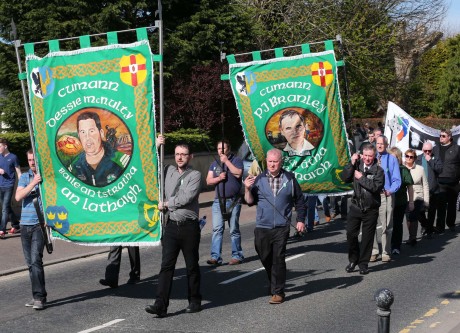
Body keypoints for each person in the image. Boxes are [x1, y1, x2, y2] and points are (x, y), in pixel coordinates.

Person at [145, 136, 202, 317]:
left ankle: (194, 300)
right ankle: (160, 305)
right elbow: (150, 169)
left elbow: (186, 197)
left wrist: (167, 204)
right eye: (177, 154)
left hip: (189, 227)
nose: (179, 157)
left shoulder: (195, 175)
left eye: (183, 154)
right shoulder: (168, 170)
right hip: (171, 226)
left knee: (191, 266)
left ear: (190, 157)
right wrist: (156, 147)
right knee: (166, 266)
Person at [244, 148, 306, 304]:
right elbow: (250, 201)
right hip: (262, 226)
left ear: (281, 162)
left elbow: (300, 201)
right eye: (270, 161)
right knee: (265, 256)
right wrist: (246, 188)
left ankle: (278, 292)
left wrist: (300, 220)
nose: (272, 165)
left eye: (275, 161)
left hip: (281, 226)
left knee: (278, 258)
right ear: (266, 161)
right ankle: (274, 281)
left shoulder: (289, 179)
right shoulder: (258, 179)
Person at [341, 144, 384, 275]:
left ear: (374, 156)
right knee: (350, 234)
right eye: (365, 155)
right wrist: (351, 162)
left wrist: (361, 178)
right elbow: (345, 178)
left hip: (371, 208)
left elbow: (376, 188)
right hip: (356, 206)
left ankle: (363, 263)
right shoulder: (357, 165)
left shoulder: (378, 170)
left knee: (367, 238)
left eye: (370, 156)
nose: (367, 158)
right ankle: (353, 259)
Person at [15, 150, 47, 310]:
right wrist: (33, 183)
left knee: (36, 260)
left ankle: (40, 298)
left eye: (34, 160)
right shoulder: (25, 177)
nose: (32, 163)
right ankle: (36, 295)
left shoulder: (45, 178)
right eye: (29, 160)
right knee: (30, 264)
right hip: (24, 225)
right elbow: (18, 197)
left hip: (38, 226)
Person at [206, 139, 244, 266]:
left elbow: (238, 174)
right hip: (219, 202)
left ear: (229, 149)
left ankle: (237, 255)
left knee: (233, 229)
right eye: (218, 149)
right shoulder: (214, 164)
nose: (220, 151)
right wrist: (219, 178)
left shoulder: (236, 160)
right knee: (217, 229)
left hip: (234, 200)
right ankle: (215, 257)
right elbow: (208, 181)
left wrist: (226, 162)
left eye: (223, 149)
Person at [69, 111, 129, 187]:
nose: (87, 137)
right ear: (79, 136)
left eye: (91, 131)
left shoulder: (121, 161)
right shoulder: (74, 166)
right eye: (83, 132)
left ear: (101, 133)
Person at [370, 135, 401, 263]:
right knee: (370, 225)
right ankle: (373, 251)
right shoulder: (370, 158)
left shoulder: (392, 159)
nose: (380, 145)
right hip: (371, 195)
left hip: (385, 195)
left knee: (386, 225)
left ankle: (385, 251)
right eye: (378, 143)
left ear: (386, 145)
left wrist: (390, 190)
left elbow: (397, 179)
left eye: (382, 143)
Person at [432, 129, 460, 233]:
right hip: (440, 181)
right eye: (440, 136)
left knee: (452, 205)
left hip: (454, 181)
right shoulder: (436, 149)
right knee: (441, 205)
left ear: (449, 137)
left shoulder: (457, 149)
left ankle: (451, 224)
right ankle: (440, 226)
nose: (441, 137)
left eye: (443, 136)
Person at [389, 147, 414, 254]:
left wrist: (411, 202)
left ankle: (396, 246)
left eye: (394, 158)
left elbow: (410, 187)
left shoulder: (403, 170)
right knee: (387, 225)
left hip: (400, 201)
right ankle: (386, 246)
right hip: (388, 202)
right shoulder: (385, 169)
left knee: (397, 224)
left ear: (398, 158)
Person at [415, 142, 443, 237]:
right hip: (421, 189)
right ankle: (425, 225)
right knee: (419, 211)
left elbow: (439, 169)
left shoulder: (436, 158)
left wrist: (430, 160)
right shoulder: (418, 158)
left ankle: (429, 230)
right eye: (425, 151)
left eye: (429, 151)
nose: (427, 152)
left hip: (433, 189)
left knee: (431, 211)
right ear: (422, 150)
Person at [404, 149, 429, 245]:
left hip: (417, 196)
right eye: (407, 156)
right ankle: (412, 235)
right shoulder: (401, 168)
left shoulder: (420, 169)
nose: (409, 158)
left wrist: (426, 201)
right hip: (405, 196)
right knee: (408, 217)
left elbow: (425, 185)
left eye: (411, 157)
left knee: (413, 216)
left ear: (414, 158)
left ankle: (413, 238)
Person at [0, 138, 21, 238]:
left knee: (4, 209)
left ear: (5, 146)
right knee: (7, 207)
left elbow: (19, 172)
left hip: (9, 185)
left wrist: (22, 186)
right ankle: (16, 225)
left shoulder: (13, 157)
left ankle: (2, 230)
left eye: (0, 146)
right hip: (0, 185)